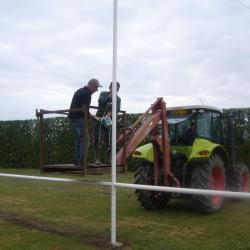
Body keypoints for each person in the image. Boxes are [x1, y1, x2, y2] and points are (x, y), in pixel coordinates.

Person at [68, 78, 102, 166]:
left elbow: (83, 108)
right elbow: (84, 109)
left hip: (72, 116)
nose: (97, 89)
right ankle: (82, 161)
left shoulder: (80, 90)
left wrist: (89, 116)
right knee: (84, 139)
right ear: (91, 85)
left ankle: (77, 160)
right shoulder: (87, 94)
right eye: (96, 87)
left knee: (78, 139)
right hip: (78, 117)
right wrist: (93, 117)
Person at [93, 82, 121, 164]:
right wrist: (109, 97)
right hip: (99, 118)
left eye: (117, 88)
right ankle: (97, 158)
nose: (115, 89)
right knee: (96, 138)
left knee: (110, 139)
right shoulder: (103, 93)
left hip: (109, 121)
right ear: (109, 87)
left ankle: (108, 159)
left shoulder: (118, 99)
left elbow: (118, 109)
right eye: (114, 87)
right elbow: (100, 101)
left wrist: (111, 112)